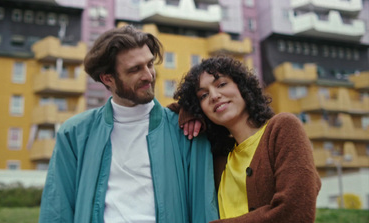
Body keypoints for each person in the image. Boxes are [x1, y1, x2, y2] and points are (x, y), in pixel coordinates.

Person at [38, 25, 219, 223]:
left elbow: (204, 208)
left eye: (150, 64)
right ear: (108, 79)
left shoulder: (187, 130)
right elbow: (57, 210)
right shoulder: (74, 134)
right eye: (135, 69)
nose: (149, 75)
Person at [174, 56, 321, 223]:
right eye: (203, 95)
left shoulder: (282, 129)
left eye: (221, 84)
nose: (214, 96)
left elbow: (295, 212)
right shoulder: (219, 157)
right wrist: (188, 111)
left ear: (242, 86)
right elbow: (164, 114)